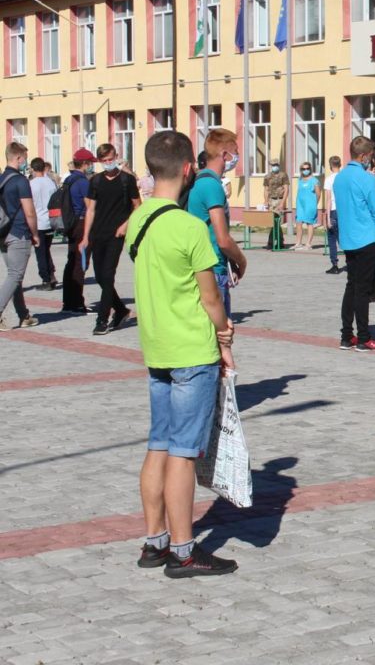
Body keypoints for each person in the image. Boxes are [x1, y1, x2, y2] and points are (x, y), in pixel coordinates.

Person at [127, 130, 237, 578]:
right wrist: (225, 339)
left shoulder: (139, 219)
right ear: (189, 168)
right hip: (192, 347)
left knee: (159, 442)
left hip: (156, 347)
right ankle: (183, 550)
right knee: (183, 452)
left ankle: (154, 540)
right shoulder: (190, 227)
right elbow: (211, 298)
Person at [185, 129, 247, 316]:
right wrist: (241, 262)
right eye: (235, 152)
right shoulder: (212, 186)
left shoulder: (202, 181)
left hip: (207, 265)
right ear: (224, 154)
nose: (237, 156)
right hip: (213, 269)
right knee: (220, 330)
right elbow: (223, 239)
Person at [82, 143, 141, 335]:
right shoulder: (96, 181)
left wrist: (125, 225)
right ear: (99, 161)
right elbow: (90, 210)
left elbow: (137, 206)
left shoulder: (127, 180)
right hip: (97, 234)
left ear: (116, 156)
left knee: (108, 275)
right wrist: (85, 236)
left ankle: (102, 320)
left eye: (110, 159)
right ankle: (121, 310)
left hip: (116, 235)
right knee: (100, 277)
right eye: (104, 160)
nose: (108, 163)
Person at [335, 137, 375, 352]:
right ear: (364, 156)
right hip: (366, 237)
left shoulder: (339, 177)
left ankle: (347, 336)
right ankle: (364, 338)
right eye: (370, 156)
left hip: (348, 238)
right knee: (363, 290)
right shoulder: (366, 178)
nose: (371, 160)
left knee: (351, 286)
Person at [0, 142, 40, 331]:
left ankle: (24, 315)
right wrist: (35, 234)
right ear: (18, 158)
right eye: (25, 158)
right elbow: (29, 212)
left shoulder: (2, 179)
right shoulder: (21, 181)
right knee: (15, 275)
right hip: (18, 232)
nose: (27, 162)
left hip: (2, 232)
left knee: (14, 275)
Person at [61, 150, 95, 314]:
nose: (92, 166)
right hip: (82, 223)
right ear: (85, 164)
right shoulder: (83, 182)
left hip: (71, 223)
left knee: (71, 261)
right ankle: (77, 303)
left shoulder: (69, 179)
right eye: (90, 163)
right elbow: (90, 207)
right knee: (80, 263)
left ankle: (68, 302)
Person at [28, 158, 57, 291]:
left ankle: (46, 279)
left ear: (33, 169)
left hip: (38, 222)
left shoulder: (32, 184)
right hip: (50, 220)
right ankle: (51, 275)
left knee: (41, 252)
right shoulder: (50, 182)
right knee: (47, 250)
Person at [264, 159, 290, 251]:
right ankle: (278, 242)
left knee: (277, 221)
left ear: (278, 165)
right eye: (273, 165)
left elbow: (286, 189)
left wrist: (283, 202)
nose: (274, 166)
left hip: (279, 200)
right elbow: (266, 189)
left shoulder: (283, 175)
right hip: (271, 200)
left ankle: (273, 242)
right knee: (273, 222)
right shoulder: (267, 176)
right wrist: (266, 201)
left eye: (275, 164)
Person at [323, 156, 342, 274]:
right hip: (344, 211)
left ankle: (334, 264)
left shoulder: (329, 179)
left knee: (332, 238)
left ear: (330, 165)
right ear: (340, 164)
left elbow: (328, 199)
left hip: (334, 211)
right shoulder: (344, 177)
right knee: (344, 238)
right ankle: (352, 262)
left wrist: (327, 218)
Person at [294, 162, 320, 250]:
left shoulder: (314, 180)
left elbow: (318, 194)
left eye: (307, 168)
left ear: (310, 169)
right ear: (301, 170)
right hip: (300, 205)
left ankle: (308, 244)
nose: (306, 170)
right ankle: (298, 243)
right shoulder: (300, 180)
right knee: (298, 222)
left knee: (309, 223)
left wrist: (314, 203)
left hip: (310, 205)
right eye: (303, 169)